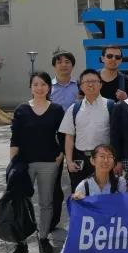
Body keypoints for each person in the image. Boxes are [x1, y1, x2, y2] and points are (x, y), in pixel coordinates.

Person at [6, 72, 65, 253]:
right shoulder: (22, 109)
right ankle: (21, 243)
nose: (39, 88)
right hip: (25, 163)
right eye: (36, 84)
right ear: (30, 87)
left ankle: (43, 237)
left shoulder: (56, 109)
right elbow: (15, 138)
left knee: (46, 203)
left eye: (43, 84)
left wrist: (60, 155)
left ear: (49, 87)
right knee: (21, 202)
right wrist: (13, 164)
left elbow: (63, 135)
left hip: (49, 162)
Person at [68, 144, 127, 253]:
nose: (106, 160)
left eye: (110, 157)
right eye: (102, 156)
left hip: (114, 230)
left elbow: (125, 210)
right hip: (92, 233)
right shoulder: (84, 186)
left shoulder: (120, 183)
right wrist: (77, 200)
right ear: (93, 161)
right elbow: (77, 218)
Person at [58, 69, 113, 194]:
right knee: (80, 196)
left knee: (104, 195)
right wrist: (69, 161)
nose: (90, 84)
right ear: (81, 86)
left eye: (94, 81)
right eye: (86, 82)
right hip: (80, 160)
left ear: (101, 84)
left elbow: (116, 136)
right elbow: (69, 137)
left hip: (103, 160)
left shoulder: (110, 106)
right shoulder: (74, 108)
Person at [49, 49, 78, 232]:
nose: (63, 65)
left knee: (77, 177)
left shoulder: (80, 86)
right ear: (54, 66)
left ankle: (79, 219)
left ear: (72, 65)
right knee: (54, 181)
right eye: (59, 62)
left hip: (77, 136)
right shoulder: (47, 87)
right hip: (54, 137)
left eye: (67, 61)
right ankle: (52, 220)